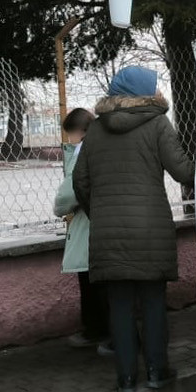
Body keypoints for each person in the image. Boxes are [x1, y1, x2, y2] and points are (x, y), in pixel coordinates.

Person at [73, 66, 195, 392]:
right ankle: (157, 371)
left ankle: (126, 378)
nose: (158, 92)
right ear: (144, 92)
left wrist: (99, 214)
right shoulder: (158, 124)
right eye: (153, 87)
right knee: (153, 302)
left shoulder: (95, 130)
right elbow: (183, 172)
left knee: (120, 307)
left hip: (108, 234)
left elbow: (80, 181)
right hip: (150, 230)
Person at [55, 107, 110, 354]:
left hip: (87, 223)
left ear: (79, 131)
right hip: (106, 221)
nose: (69, 140)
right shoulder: (107, 145)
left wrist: (59, 207)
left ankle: (97, 330)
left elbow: (70, 192)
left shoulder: (81, 152)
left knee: (90, 281)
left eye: (70, 134)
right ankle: (104, 330)